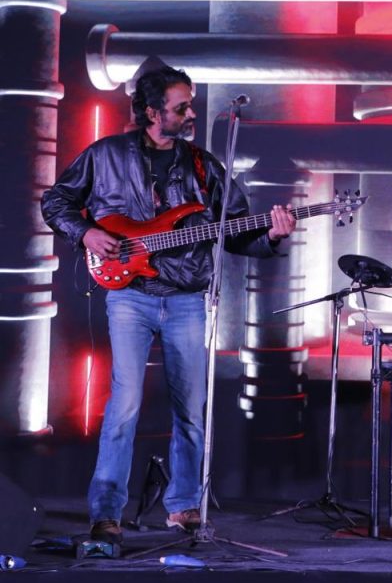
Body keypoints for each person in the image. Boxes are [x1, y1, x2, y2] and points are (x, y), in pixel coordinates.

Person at [41, 66, 296, 544]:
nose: (190, 113)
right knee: (124, 405)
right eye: (181, 107)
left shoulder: (202, 165)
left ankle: (183, 507)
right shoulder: (105, 155)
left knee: (191, 410)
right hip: (129, 296)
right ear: (152, 111)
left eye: (190, 104)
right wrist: (87, 232)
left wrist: (273, 235)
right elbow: (56, 201)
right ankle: (106, 514)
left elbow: (235, 232)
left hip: (186, 300)